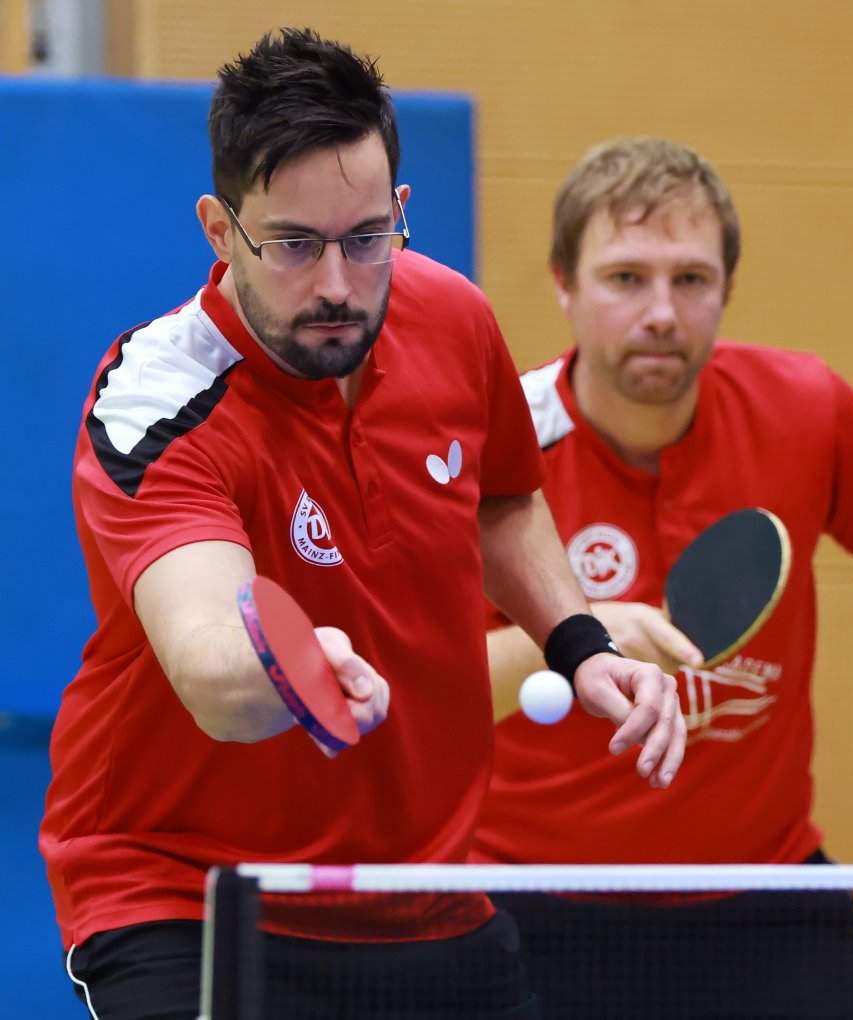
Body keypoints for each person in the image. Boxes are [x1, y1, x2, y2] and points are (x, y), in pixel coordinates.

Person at [39, 34, 685, 1020]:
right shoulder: (158, 400)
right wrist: (291, 666)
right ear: (220, 230)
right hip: (193, 893)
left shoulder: (451, 322)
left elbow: (502, 497)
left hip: (422, 890)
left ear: (400, 214)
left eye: (366, 237)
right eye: (292, 244)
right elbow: (209, 659)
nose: (337, 283)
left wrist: (578, 640)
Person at [473, 136, 853, 1017]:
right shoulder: (493, 446)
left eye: (692, 279)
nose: (662, 312)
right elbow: (433, 690)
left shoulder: (808, 413)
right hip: (528, 903)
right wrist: (578, 642)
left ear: (727, 290)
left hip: (763, 900)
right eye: (626, 278)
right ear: (562, 282)